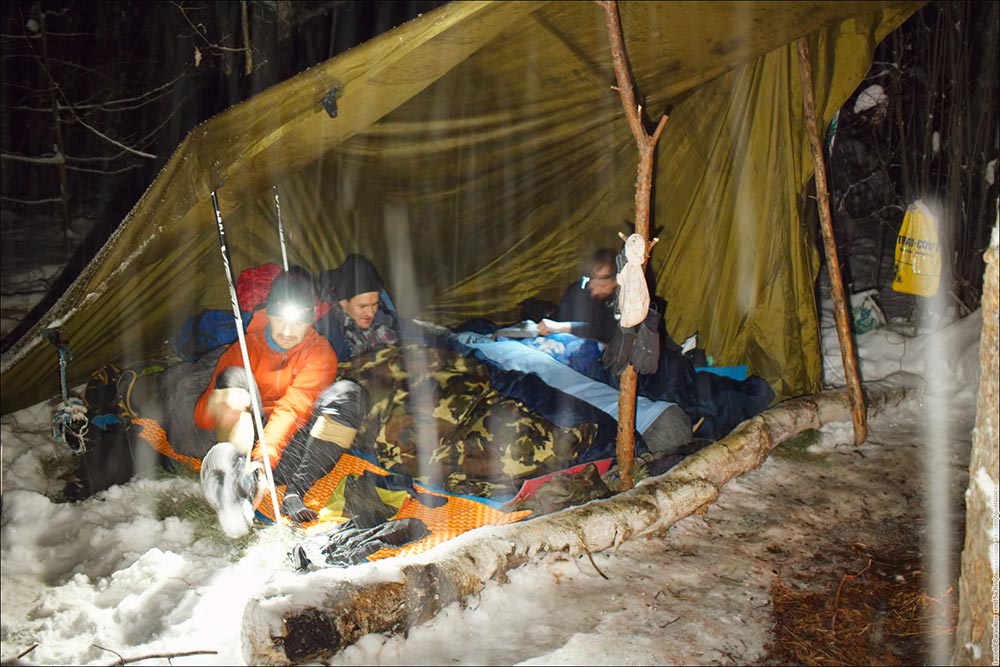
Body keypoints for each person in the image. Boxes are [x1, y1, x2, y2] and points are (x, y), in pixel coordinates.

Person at [314, 253, 398, 361]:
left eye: (375, 304)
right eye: (363, 306)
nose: (371, 313)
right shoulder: (326, 335)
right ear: (343, 303)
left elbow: (414, 335)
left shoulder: (385, 318)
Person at [537, 248, 620, 344]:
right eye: (592, 286)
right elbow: (559, 318)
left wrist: (565, 327)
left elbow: (607, 330)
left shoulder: (624, 300)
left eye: (602, 286)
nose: (595, 292)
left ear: (616, 280)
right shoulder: (576, 291)